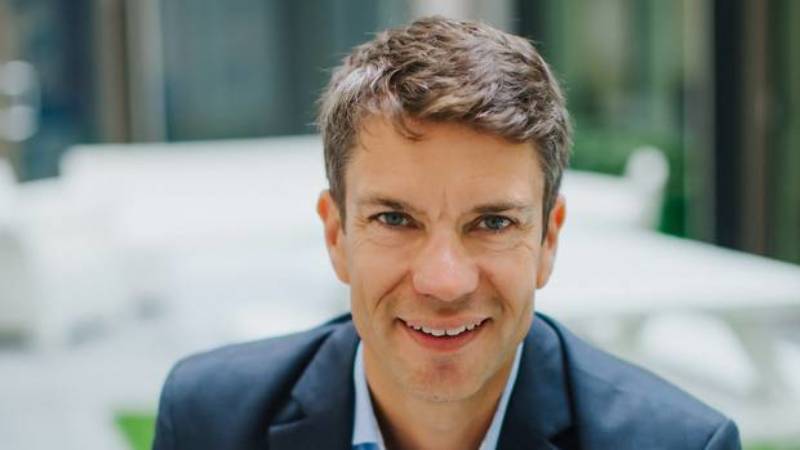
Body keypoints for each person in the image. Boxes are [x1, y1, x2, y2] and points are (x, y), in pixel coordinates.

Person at [152, 16, 741, 450]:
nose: (444, 281)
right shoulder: (210, 420)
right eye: (395, 219)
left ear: (548, 240)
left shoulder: (679, 444)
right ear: (336, 235)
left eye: (492, 222)